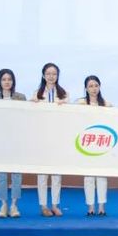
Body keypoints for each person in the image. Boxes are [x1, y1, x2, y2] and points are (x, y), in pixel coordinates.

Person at [32, 62, 68, 217]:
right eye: (48, 74)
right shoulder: (37, 94)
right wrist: (33, 104)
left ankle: (54, 204)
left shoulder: (64, 94)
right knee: (42, 174)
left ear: (57, 75)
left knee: (56, 174)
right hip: (42, 138)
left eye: (54, 74)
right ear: (43, 75)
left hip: (58, 138)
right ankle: (43, 206)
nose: (51, 76)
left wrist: (65, 105)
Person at [0, 68, 26, 218]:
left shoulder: (21, 98)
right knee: (1, 174)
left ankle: (14, 205)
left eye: (9, 79)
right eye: (4, 79)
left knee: (17, 174)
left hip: (17, 140)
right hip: (0, 142)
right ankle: (3, 204)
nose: (7, 82)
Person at [76, 75, 111, 216]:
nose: (94, 88)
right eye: (90, 86)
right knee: (88, 177)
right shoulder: (80, 104)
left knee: (102, 176)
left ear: (100, 87)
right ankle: (90, 206)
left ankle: (102, 206)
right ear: (86, 88)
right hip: (86, 143)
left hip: (102, 143)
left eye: (96, 85)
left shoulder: (107, 104)